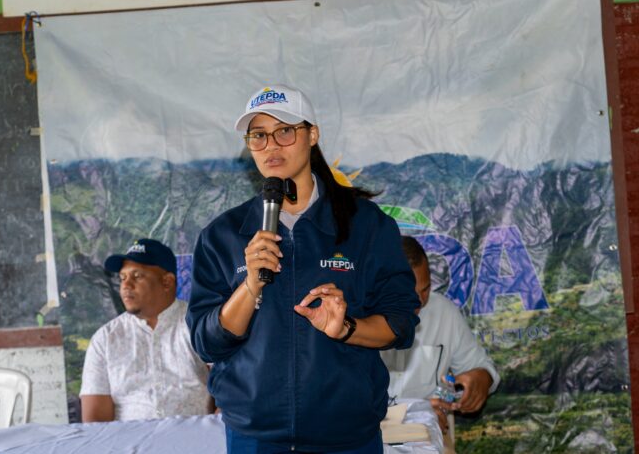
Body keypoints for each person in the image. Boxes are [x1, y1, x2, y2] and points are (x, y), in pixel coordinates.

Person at [186, 84, 421, 453]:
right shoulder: (223, 235)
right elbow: (206, 343)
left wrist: (345, 328)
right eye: (258, 136)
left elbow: (400, 324)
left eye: (284, 131)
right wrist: (250, 286)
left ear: (312, 135)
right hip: (255, 438)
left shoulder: (367, 226)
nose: (271, 146)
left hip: (347, 437)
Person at [80, 238, 212, 422]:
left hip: (197, 436)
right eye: (122, 278)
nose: (126, 285)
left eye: (137, 276)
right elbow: (95, 423)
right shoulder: (105, 339)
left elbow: (229, 397)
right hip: (128, 439)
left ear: (167, 282)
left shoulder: (199, 324)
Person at [380, 236, 500, 431]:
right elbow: (345, 405)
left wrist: (482, 378)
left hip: (428, 436)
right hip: (369, 436)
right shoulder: (358, 320)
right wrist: (413, 415)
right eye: (409, 292)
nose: (419, 301)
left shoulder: (444, 312)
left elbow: (480, 366)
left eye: (425, 289)